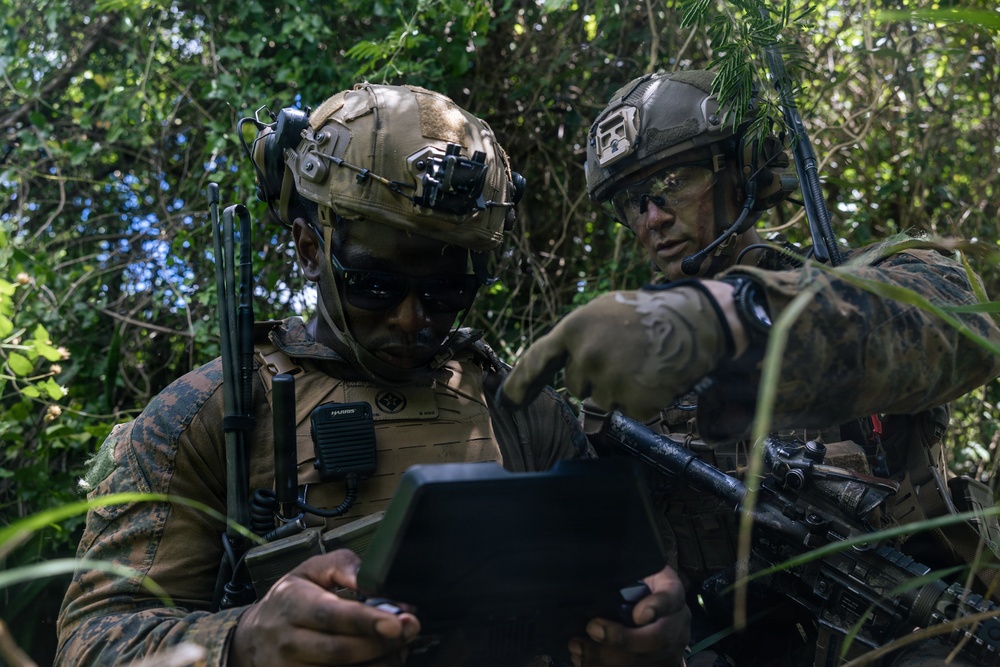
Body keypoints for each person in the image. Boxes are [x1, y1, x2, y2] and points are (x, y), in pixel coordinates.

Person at [55, 83, 690, 667]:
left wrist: (650, 624)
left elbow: (636, 583)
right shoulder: (211, 415)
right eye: (375, 284)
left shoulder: (523, 413)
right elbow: (91, 640)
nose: (413, 318)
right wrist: (242, 640)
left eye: (446, 293)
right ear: (309, 249)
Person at [501, 70, 1000, 666]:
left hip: (920, 634)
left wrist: (728, 319)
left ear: (742, 171)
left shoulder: (874, 283)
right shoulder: (631, 384)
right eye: (632, 202)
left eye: (671, 182)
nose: (651, 218)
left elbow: (965, 326)